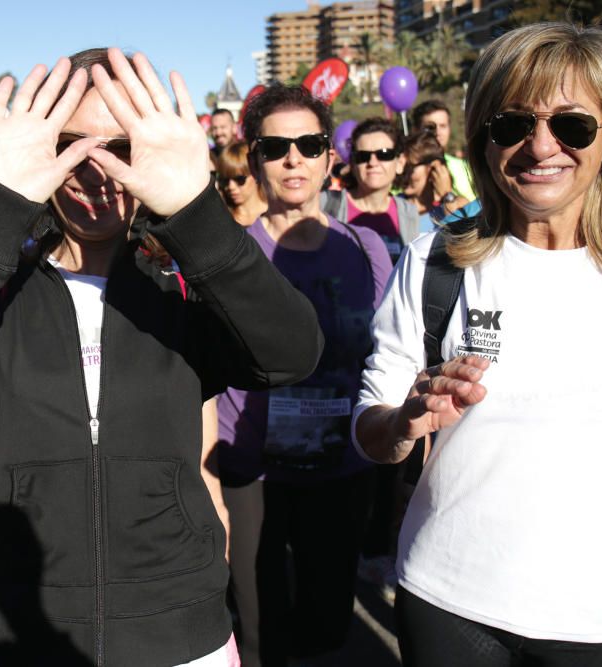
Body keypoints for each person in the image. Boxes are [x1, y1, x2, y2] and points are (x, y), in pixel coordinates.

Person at [0, 49, 321, 666]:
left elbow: (291, 354)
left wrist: (196, 212)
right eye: (73, 146)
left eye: (122, 146)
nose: (99, 168)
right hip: (18, 629)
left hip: (180, 631)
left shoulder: (182, 281)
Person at [354, 22, 602, 667]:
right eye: (512, 124)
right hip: (446, 599)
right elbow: (372, 432)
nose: (540, 146)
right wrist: (406, 418)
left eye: (571, 126)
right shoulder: (435, 258)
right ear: (485, 137)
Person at [218, 84, 392, 667]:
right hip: (252, 473)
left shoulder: (366, 248)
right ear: (255, 158)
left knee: (326, 623)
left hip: (341, 468)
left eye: (309, 144)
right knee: (261, 628)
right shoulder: (229, 257)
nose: (293, 158)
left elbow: (386, 358)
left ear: (328, 158)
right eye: (276, 147)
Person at [320, 117, 420, 264]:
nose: (373, 163)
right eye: (363, 156)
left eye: (384, 154)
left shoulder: (409, 213)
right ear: (353, 164)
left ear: (400, 163)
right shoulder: (324, 205)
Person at [399, 130, 469, 233]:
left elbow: (462, 240)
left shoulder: (460, 205)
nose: (402, 173)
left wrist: (447, 196)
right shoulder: (393, 208)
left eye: (409, 167)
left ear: (434, 167)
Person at [412, 98, 477, 202]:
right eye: (430, 127)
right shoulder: (404, 170)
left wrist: (447, 196)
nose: (437, 132)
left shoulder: (464, 167)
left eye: (443, 126)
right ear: (415, 130)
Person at [215, 141, 265, 226]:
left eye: (239, 179)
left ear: (255, 172)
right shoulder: (221, 219)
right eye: (225, 180)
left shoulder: (277, 212)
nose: (230, 187)